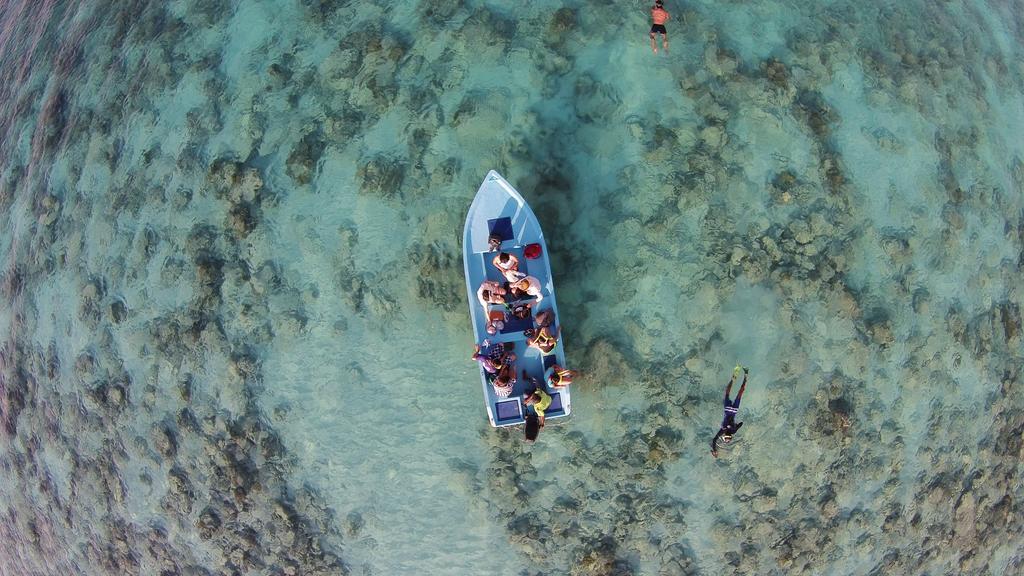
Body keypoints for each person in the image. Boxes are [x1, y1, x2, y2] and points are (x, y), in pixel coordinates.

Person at [711, 366, 748, 458]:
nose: (727, 435)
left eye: (726, 437)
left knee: (737, 392)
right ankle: (742, 375)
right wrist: (736, 425)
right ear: (729, 436)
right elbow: (741, 424)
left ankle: (742, 375)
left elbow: (715, 440)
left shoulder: (724, 430)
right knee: (734, 392)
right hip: (731, 409)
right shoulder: (728, 430)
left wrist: (715, 450)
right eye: (728, 437)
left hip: (731, 409)